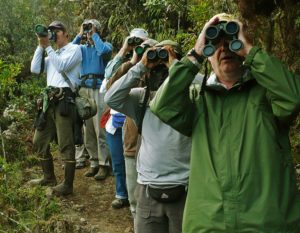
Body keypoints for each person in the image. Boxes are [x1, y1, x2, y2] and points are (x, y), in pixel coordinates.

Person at [150, 13, 300, 232]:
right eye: (216, 43)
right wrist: (195, 55)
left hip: (266, 223)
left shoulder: (267, 94)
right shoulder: (197, 100)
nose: (225, 48)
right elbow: (162, 106)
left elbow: (293, 98)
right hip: (209, 223)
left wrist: (250, 51)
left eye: (231, 40)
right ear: (208, 54)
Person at [104, 40, 191, 233]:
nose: (161, 70)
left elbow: (203, 81)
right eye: (156, 66)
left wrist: (178, 67)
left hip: (186, 186)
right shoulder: (140, 98)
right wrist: (140, 66)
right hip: (148, 188)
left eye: (165, 64)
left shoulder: (192, 94)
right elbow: (110, 98)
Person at [105, 38, 158, 216]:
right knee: (136, 200)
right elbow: (111, 89)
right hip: (133, 141)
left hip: (156, 149)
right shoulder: (134, 71)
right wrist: (134, 62)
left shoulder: (162, 75)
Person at [30, 21, 82, 196]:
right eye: (50, 31)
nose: (53, 34)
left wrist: (49, 48)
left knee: (66, 143)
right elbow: (35, 69)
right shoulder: (52, 54)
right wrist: (41, 45)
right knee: (39, 140)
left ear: (66, 33)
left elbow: (61, 66)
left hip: (64, 100)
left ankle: (68, 185)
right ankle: (49, 177)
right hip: (49, 101)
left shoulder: (74, 50)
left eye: (56, 31)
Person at [72, 19, 112, 180]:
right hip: (84, 90)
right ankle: (94, 162)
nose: (88, 32)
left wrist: (94, 35)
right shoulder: (81, 48)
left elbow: (102, 52)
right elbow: (70, 50)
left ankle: (104, 164)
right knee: (87, 129)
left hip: (99, 89)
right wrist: (80, 33)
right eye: (87, 29)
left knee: (100, 128)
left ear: (98, 31)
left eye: (91, 29)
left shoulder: (106, 46)